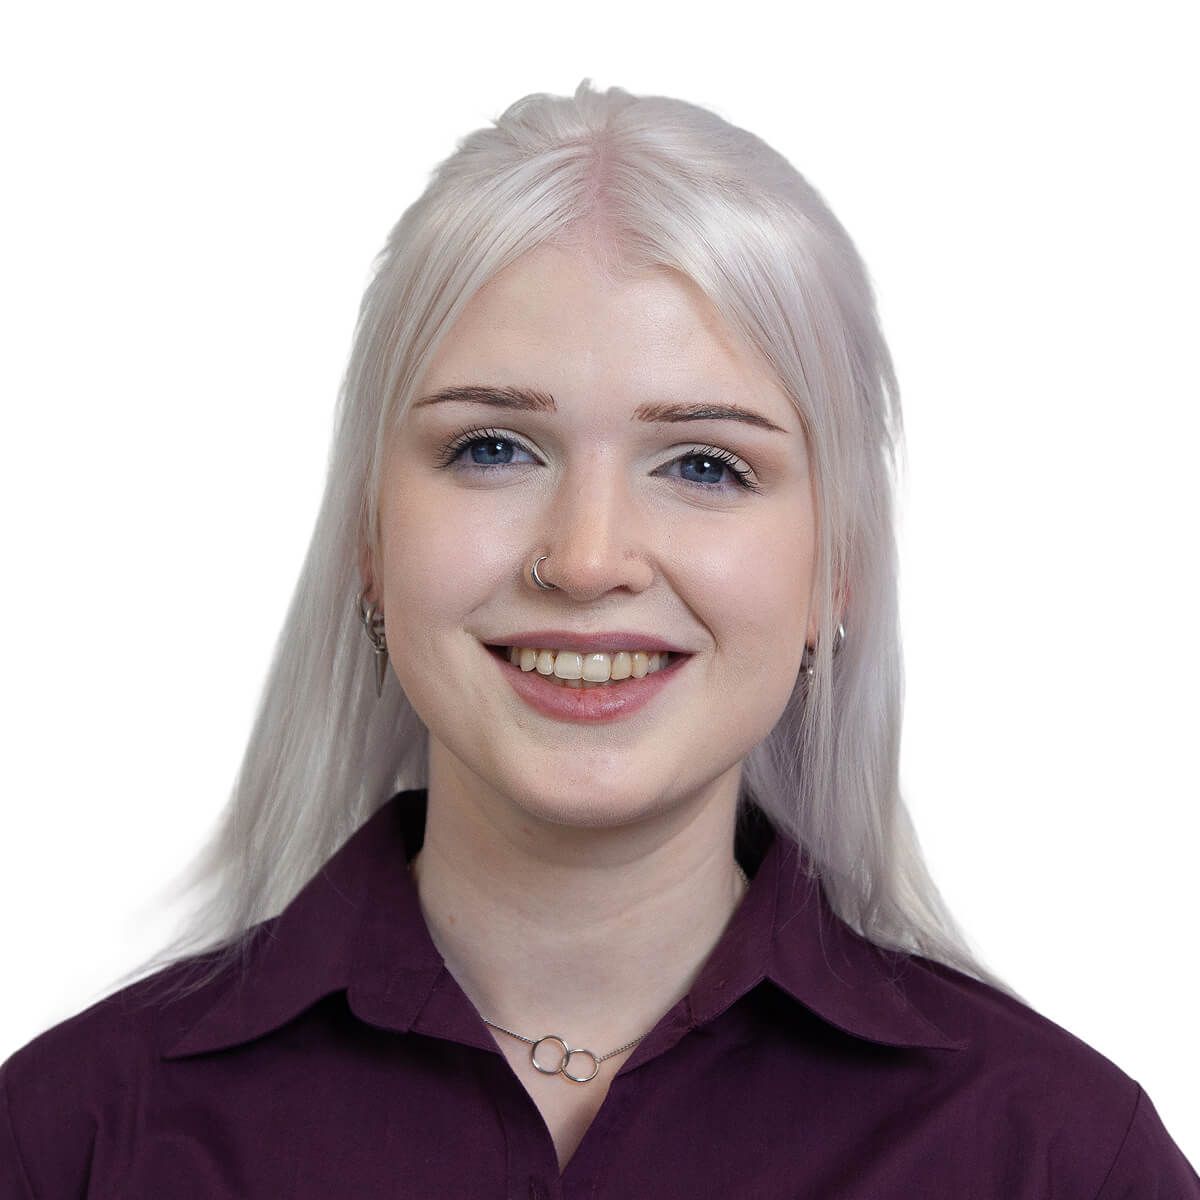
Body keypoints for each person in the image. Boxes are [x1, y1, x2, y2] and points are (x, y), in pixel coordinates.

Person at [1, 81, 1195, 1197]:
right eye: (491, 448)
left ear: (838, 571)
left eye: (706, 465)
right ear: (370, 538)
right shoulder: (68, 1142)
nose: (584, 558)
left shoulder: (1061, 1161)